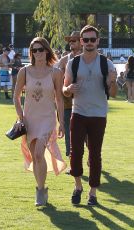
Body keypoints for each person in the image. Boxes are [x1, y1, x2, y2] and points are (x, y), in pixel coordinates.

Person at [63, 25, 117, 206]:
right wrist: (69, 89)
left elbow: (114, 93)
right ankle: (78, 186)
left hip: (98, 115)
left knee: (95, 154)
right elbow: (65, 89)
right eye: (85, 39)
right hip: (78, 112)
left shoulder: (106, 63)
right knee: (75, 152)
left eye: (92, 39)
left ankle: (92, 193)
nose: (89, 43)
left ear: (98, 41)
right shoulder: (74, 63)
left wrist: (113, 81)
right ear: (81, 41)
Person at [13, 37, 66, 206]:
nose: (38, 53)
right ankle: (40, 188)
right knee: (35, 157)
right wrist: (21, 117)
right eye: (34, 50)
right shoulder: (24, 71)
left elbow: (59, 99)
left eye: (41, 49)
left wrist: (61, 123)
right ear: (31, 53)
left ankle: (40, 192)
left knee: (38, 153)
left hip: (47, 119)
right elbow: (15, 96)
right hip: (30, 119)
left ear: (47, 51)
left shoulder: (56, 72)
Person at [58, 31, 82, 160]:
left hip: (85, 102)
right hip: (67, 102)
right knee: (69, 132)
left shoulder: (89, 58)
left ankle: (91, 157)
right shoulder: (64, 60)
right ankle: (71, 159)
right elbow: (55, 77)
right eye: (70, 41)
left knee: (87, 134)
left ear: (81, 42)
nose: (71, 43)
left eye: (74, 40)